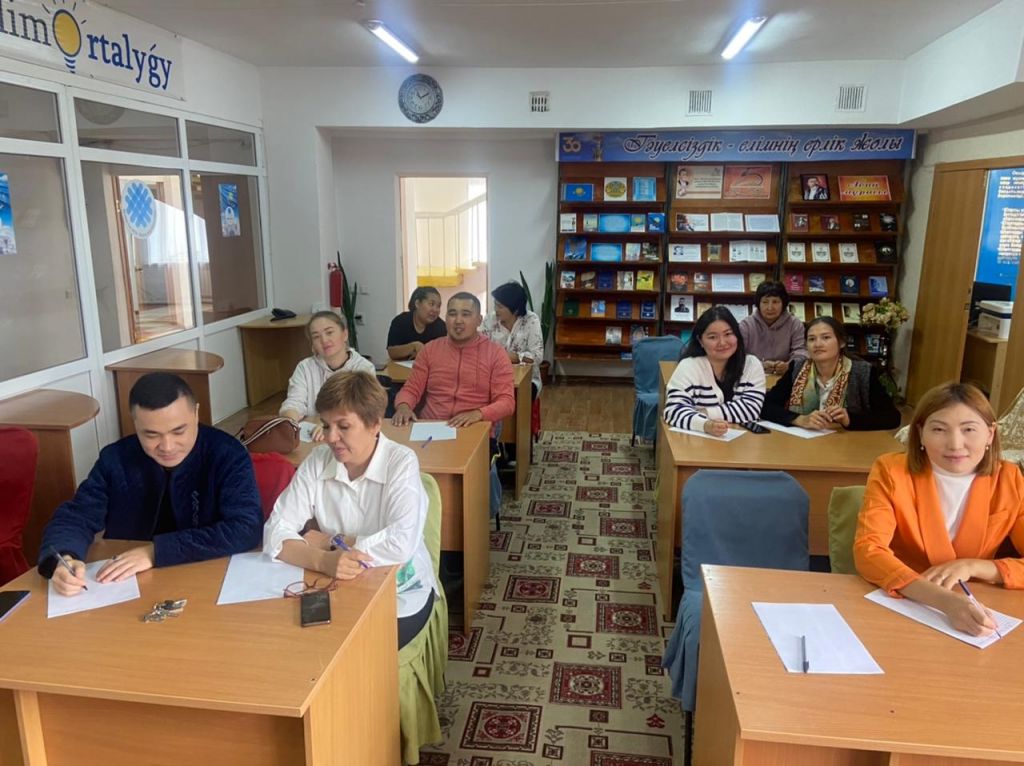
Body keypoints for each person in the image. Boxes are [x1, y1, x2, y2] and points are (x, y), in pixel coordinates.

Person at [38, 373, 262, 595]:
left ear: (196, 413)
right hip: (128, 586)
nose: (167, 446)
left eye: (178, 431)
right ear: (135, 422)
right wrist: (64, 558)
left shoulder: (227, 454)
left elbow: (245, 527)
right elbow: (76, 516)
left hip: (208, 576)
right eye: (151, 435)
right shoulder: (116, 459)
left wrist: (155, 552)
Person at [264, 372, 439, 649]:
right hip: (336, 585)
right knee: (288, 641)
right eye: (326, 425)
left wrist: (331, 542)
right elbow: (275, 531)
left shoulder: (401, 462)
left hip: (400, 594)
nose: (331, 437)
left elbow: (400, 544)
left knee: (351, 649)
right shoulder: (318, 460)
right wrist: (324, 561)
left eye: (343, 426)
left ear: (375, 424)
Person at [854, 382, 1024, 636]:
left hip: (978, 605)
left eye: (969, 429)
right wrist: (944, 602)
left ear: (990, 434)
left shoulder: (1009, 478)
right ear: (920, 433)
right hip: (904, 602)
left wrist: (972, 567)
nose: (955, 444)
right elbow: (868, 551)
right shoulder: (891, 470)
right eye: (939, 429)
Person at [392, 292, 515, 433]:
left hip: (474, 427)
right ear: (445, 318)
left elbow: (506, 402)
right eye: (452, 314)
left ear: (479, 320)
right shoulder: (429, 350)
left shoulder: (496, 354)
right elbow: (411, 389)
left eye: (466, 314)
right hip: (432, 427)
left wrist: (478, 414)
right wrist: (403, 406)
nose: (458, 320)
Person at [761, 317, 900, 431]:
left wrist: (849, 419)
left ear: (842, 342)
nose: (818, 344)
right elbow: (766, 406)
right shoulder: (797, 368)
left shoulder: (862, 372)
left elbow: (892, 417)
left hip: (847, 445)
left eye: (825, 337)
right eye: (811, 339)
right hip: (802, 443)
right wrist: (799, 419)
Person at [663, 306, 767, 436]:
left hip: (743, 442)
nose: (722, 343)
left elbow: (751, 410)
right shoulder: (689, 366)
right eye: (713, 337)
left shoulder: (752, 365)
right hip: (698, 443)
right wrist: (706, 425)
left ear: (737, 335)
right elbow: (673, 411)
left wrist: (705, 413)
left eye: (728, 334)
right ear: (700, 341)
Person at [279, 311, 374, 437]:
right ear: (312, 344)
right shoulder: (304, 367)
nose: (324, 340)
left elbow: (360, 409)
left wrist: (329, 424)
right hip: (312, 436)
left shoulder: (363, 368)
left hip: (349, 435)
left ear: (345, 334)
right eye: (316, 337)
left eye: (329, 332)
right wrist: (290, 422)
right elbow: (294, 402)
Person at [481, 281, 544, 399]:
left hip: (526, 379)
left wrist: (515, 357)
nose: (496, 310)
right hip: (493, 375)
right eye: (495, 305)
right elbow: (481, 348)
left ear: (515, 310)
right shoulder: (490, 319)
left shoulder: (531, 320)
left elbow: (537, 356)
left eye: (500, 306)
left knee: (518, 395)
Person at [738, 280, 807, 375]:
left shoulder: (795, 324)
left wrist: (790, 366)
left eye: (775, 302)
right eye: (765, 302)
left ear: (783, 303)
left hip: (786, 376)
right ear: (758, 304)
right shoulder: (746, 325)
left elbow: (801, 352)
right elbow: (739, 356)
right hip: (753, 375)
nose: (770, 307)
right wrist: (760, 365)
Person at [386, 286, 447, 361]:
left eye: (438, 306)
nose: (435, 310)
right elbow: (392, 352)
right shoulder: (400, 321)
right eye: (431, 304)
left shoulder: (441, 326)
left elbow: (443, 353)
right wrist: (413, 346)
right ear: (417, 303)